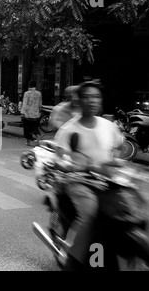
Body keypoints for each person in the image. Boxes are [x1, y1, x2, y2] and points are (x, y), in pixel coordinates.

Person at [53, 79, 125, 270]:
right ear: (79, 100)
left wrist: (119, 160)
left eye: (96, 97)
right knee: (91, 214)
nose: (92, 101)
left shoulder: (108, 126)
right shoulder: (69, 129)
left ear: (100, 101)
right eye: (87, 97)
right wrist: (73, 166)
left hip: (107, 179)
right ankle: (70, 257)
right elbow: (60, 159)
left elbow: (120, 146)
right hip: (79, 182)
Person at [21, 81, 42, 146]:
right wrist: (39, 111)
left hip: (28, 114)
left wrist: (23, 112)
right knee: (35, 127)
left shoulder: (27, 93)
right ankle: (37, 140)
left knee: (27, 128)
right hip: (36, 114)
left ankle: (28, 142)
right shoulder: (39, 93)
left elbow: (25, 103)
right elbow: (40, 103)